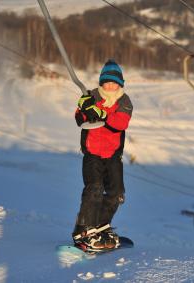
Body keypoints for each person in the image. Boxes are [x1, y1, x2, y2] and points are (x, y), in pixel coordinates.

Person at [72, 59, 133, 250]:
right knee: (94, 189)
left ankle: (99, 225)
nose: (110, 85)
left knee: (117, 193)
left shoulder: (124, 101)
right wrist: (85, 109)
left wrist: (102, 113)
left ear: (120, 83)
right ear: (101, 82)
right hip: (92, 154)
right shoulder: (91, 96)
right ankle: (83, 228)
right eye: (106, 82)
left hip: (113, 155)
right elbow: (79, 118)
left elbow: (121, 123)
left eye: (114, 82)